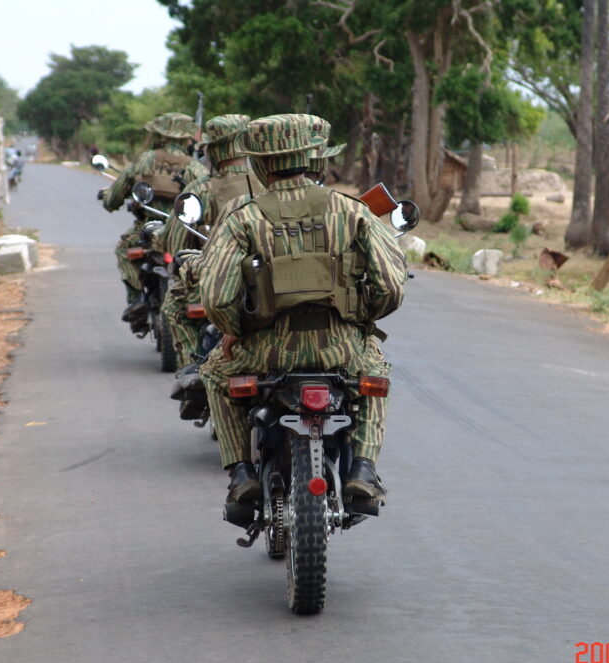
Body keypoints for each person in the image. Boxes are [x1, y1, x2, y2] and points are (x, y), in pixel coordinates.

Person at [198, 114, 407, 511]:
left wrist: (237, 330)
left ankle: (242, 474)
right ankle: (362, 469)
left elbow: (217, 299)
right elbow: (391, 287)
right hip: (342, 350)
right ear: (313, 158)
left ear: (260, 163)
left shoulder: (242, 216)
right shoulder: (352, 210)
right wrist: (360, 320)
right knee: (376, 374)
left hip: (265, 352)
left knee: (213, 373)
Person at [155, 114, 258, 374]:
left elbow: (175, 244)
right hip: (270, 282)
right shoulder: (268, 184)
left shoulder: (201, 189)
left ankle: (195, 372)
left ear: (214, 150)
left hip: (217, 283)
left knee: (175, 307)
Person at [100, 112, 207, 324]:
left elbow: (114, 198)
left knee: (124, 249)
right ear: (187, 138)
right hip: (185, 232)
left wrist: (109, 199)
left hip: (148, 229)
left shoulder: (144, 161)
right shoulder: (196, 167)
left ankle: (138, 297)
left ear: (159, 135)